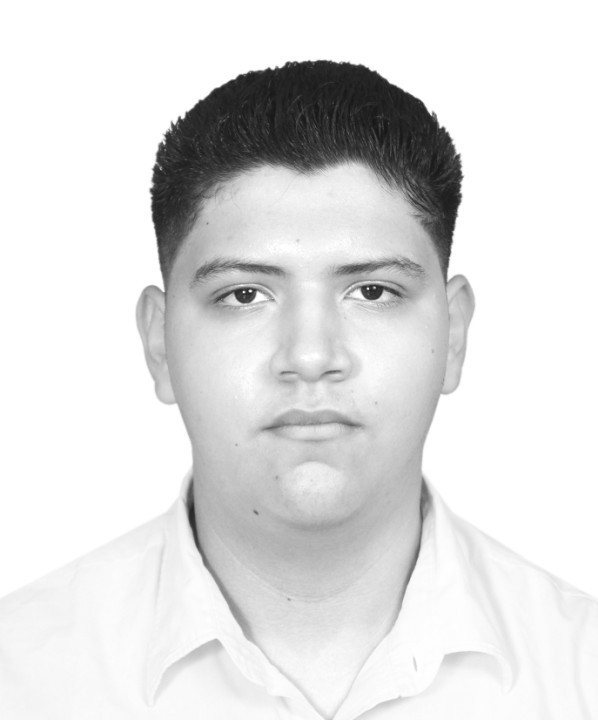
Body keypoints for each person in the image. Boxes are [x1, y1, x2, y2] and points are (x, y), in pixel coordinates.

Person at [0, 60, 596, 719]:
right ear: (160, 343)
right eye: (244, 295)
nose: (311, 356)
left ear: (453, 335)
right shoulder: (19, 676)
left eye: (373, 291)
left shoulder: (581, 672)